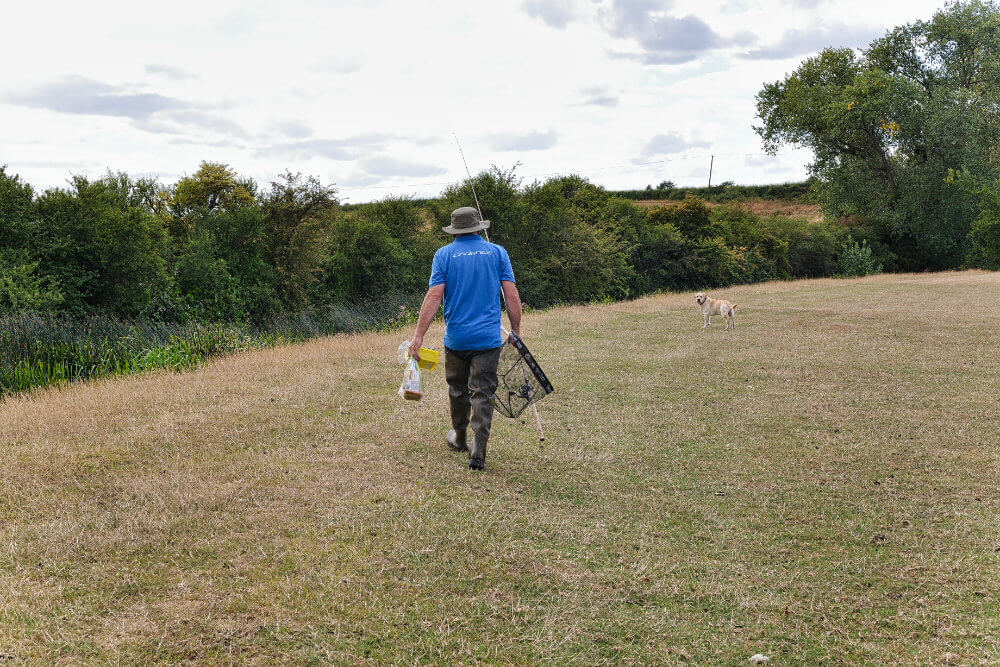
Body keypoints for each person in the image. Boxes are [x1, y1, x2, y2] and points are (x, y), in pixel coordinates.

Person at [408, 206, 521, 471]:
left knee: (457, 389)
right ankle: (478, 451)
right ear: (480, 228)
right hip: (488, 340)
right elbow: (511, 294)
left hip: (457, 339)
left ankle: (459, 437)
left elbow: (434, 296)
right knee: (483, 393)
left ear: (454, 231)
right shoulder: (497, 252)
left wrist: (418, 336)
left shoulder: (443, 255)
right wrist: (516, 331)